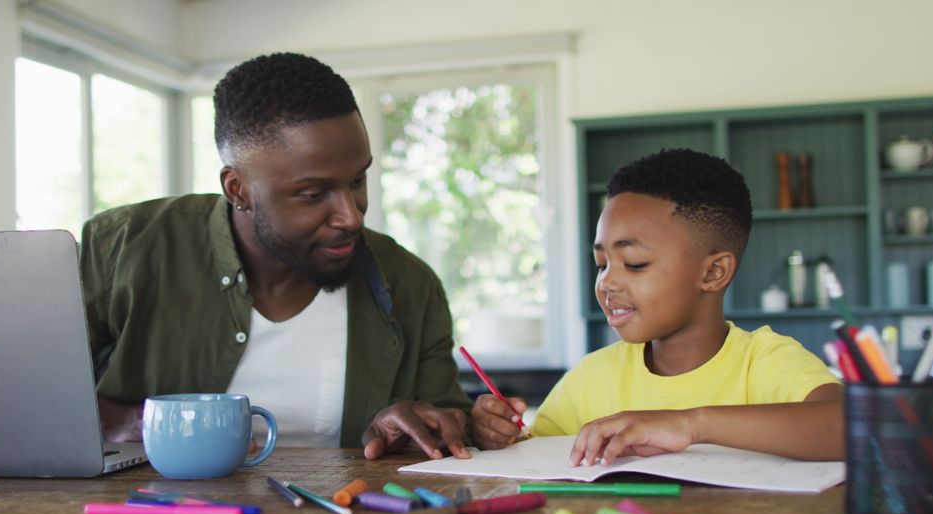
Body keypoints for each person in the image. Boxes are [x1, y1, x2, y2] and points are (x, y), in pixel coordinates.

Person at [80, 52, 472, 460]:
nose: (351, 216)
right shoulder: (121, 249)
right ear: (237, 189)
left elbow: (451, 423)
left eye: (357, 180)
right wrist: (135, 423)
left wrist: (420, 431)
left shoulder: (410, 284)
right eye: (313, 194)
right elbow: (26, 396)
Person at [470, 148, 843, 464]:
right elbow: (538, 457)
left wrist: (691, 424)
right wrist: (498, 436)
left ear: (713, 272)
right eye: (602, 264)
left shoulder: (763, 362)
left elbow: (848, 427)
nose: (607, 282)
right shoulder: (592, 379)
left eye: (634, 264)